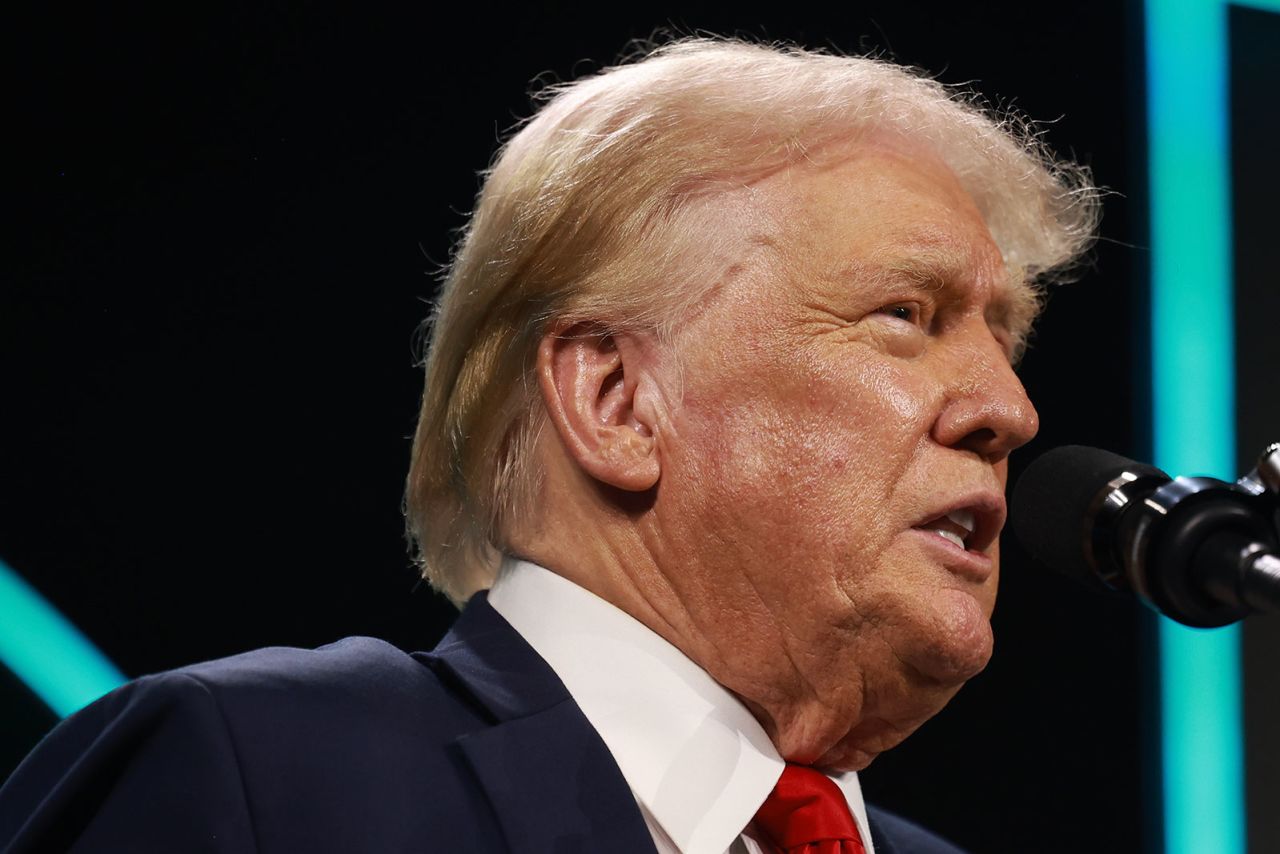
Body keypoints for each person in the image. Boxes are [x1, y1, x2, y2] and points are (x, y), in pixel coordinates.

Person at [0, 37, 1099, 853]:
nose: (1005, 408)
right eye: (904, 315)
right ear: (615, 399)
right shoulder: (268, 780)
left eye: (1002, 338)